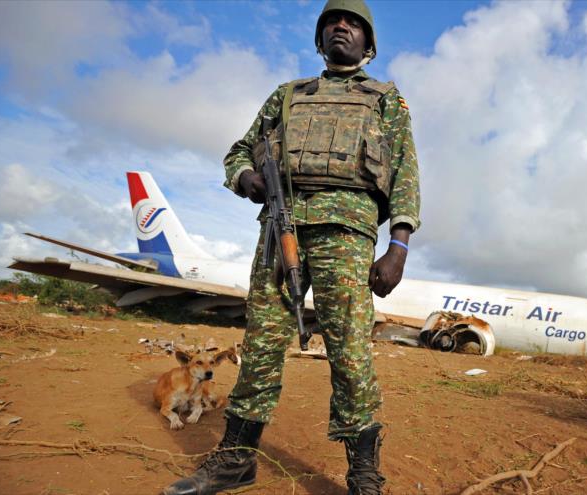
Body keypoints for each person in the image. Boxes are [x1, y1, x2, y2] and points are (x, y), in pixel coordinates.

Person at [162, 0, 420, 493]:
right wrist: (246, 177)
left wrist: (399, 244)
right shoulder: (286, 96)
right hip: (279, 230)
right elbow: (239, 150)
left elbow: (405, 171)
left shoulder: (386, 99)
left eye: (353, 24)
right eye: (331, 22)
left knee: (349, 352)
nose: (341, 27)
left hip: (347, 233)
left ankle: (363, 472)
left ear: (369, 45)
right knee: (259, 346)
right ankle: (236, 459)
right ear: (319, 39)